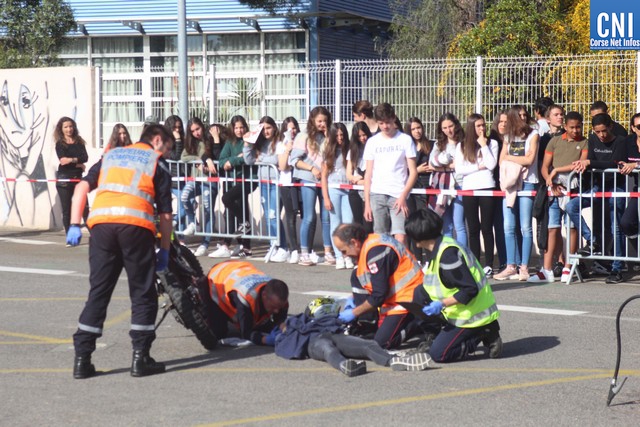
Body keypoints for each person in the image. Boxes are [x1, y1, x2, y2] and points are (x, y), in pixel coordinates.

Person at [65, 124, 174, 379]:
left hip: (101, 227)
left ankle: (82, 360)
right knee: (142, 292)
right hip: (135, 228)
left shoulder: (111, 156)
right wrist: (165, 250)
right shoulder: (156, 162)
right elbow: (165, 214)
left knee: (99, 291)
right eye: (168, 148)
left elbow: (81, 187)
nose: (168, 153)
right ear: (157, 140)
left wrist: (74, 224)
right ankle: (140, 358)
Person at [405, 208, 502, 363]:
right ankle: (435, 335)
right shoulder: (439, 246)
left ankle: (483, 332)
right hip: (457, 310)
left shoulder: (448, 255)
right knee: (418, 294)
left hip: (470, 314)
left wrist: (441, 303)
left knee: (439, 354)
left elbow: (469, 290)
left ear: (418, 237)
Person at [274, 297, 432, 377]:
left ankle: (395, 360)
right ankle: (347, 365)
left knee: (365, 345)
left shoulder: (300, 323)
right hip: (317, 339)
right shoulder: (298, 322)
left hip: (327, 337)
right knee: (331, 349)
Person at [332, 223, 424, 349]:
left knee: (381, 344)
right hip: (397, 296)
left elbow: (379, 295)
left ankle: (420, 323)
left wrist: (354, 312)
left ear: (354, 242)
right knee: (356, 275)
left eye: (344, 251)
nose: (344, 255)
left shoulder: (376, 253)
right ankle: (367, 325)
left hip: (408, 298)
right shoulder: (369, 244)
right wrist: (353, 298)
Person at [566, 113, 628, 284]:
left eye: (604, 131)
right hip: (597, 187)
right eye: (597, 132)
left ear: (610, 127)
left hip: (616, 187)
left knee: (616, 226)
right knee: (571, 206)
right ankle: (592, 241)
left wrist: (589, 163)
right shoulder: (592, 140)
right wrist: (583, 164)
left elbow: (615, 163)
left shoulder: (621, 141)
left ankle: (617, 268)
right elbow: (590, 160)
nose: (601, 135)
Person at [532, 111, 589, 283]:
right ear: (565, 126)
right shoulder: (554, 141)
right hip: (555, 190)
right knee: (552, 228)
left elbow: (579, 164)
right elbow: (545, 166)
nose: (575, 130)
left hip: (572, 188)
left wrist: (556, 171)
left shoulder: (585, 142)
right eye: (572, 127)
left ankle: (568, 266)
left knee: (571, 227)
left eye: (578, 127)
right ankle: (547, 269)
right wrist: (550, 181)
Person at [493, 107, 539, 281]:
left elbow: (529, 159)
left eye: (524, 116)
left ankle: (524, 267)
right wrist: (516, 159)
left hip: (528, 182)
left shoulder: (533, 135)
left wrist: (510, 158)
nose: (522, 118)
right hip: (510, 183)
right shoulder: (508, 137)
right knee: (508, 226)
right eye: (518, 116)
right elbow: (501, 160)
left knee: (525, 226)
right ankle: (510, 266)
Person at [363, 103, 418, 245]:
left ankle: (401, 266)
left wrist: (403, 196)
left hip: (398, 194)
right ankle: (384, 266)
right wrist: (367, 203)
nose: (385, 126)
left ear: (394, 119)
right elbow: (368, 175)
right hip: (377, 194)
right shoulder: (372, 142)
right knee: (380, 238)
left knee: (400, 237)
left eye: (387, 122)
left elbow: (413, 172)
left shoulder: (405, 140)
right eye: (381, 123)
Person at [199, 260, 289, 344]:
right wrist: (266, 340)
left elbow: (279, 320)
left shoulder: (279, 298)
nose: (277, 311)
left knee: (263, 326)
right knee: (218, 334)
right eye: (273, 307)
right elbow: (246, 333)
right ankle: (199, 293)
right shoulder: (245, 296)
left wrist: (282, 326)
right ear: (264, 295)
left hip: (241, 268)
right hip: (218, 276)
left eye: (279, 307)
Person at [290, 106, 336, 266]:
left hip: (326, 180)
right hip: (308, 179)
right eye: (319, 121)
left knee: (326, 216)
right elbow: (294, 160)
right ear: (312, 121)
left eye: (325, 121)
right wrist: (311, 168)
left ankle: (328, 251)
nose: (322, 124)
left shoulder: (329, 136)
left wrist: (328, 137)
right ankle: (304, 253)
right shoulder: (303, 137)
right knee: (309, 217)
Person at [455, 113, 499, 277]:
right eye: (478, 126)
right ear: (472, 127)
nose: (482, 128)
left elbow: (491, 164)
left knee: (487, 228)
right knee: (473, 228)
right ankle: (474, 263)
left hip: (487, 187)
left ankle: (488, 264)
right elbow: (460, 169)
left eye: (483, 125)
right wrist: (478, 167)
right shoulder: (462, 146)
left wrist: (484, 146)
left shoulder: (492, 143)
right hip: (469, 189)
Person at [243, 116, 289, 262]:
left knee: (273, 215)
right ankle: (273, 244)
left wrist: (261, 160)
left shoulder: (279, 143)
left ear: (274, 128)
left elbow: (276, 160)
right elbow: (249, 160)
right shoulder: (259, 144)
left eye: (268, 128)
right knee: (268, 217)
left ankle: (283, 247)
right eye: (263, 129)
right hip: (263, 182)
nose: (266, 131)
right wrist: (247, 144)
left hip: (275, 183)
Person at [212, 115, 256, 259]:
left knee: (229, 200)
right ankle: (243, 246)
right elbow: (221, 160)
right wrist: (234, 159)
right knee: (236, 208)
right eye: (236, 127)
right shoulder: (230, 142)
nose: (239, 130)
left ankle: (244, 232)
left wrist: (234, 161)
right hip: (232, 181)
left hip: (248, 180)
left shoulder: (249, 140)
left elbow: (248, 158)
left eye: (241, 127)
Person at [180, 118, 221, 257]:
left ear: (202, 127)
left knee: (208, 208)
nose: (196, 133)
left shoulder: (209, 139)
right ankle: (193, 222)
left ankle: (205, 243)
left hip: (210, 180)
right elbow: (183, 157)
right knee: (184, 196)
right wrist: (197, 160)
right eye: (192, 131)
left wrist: (207, 161)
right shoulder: (191, 143)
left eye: (197, 129)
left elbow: (215, 154)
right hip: (196, 179)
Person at [429, 113, 467, 247]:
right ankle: (449, 258)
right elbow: (431, 164)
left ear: (456, 125)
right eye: (444, 128)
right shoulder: (438, 144)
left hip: (461, 186)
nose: (448, 130)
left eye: (450, 126)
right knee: (447, 226)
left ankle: (463, 258)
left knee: (459, 225)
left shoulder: (464, 142)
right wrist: (449, 166)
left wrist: (444, 166)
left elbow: (462, 165)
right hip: (444, 188)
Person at [322, 122, 354, 269]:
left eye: (342, 135)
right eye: (337, 135)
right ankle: (339, 255)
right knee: (335, 223)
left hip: (347, 189)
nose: (340, 138)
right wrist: (326, 197)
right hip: (333, 189)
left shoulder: (349, 149)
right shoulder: (328, 152)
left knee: (348, 222)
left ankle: (348, 255)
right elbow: (323, 176)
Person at [54, 117, 90, 237]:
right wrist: (78, 163)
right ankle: (70, 236)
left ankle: (94, 235)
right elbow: (63, 161)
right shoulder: (60, 144)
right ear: (61, 129)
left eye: (71, 126)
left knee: (84, 207)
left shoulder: (79, 141)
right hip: (64, 178)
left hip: (78, 177)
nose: (69, 129)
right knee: (67, 209)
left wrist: (72, 160)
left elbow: (85, 158)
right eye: (66, 127)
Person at [404, 117, 434, 264]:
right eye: (413, 129)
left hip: (426, 188)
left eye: (419, 127)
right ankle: (416, 258)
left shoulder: (431, 145)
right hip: (410, 188)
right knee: (413, 223)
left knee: (425, 223)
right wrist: (417, 169)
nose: (417, 131)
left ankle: (429, 259)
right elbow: (403, 170)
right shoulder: (406, 147)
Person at [276, 117, 302, 264]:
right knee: (290, 217)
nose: (291, 131)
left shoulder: (302, 142)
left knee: (305, 215)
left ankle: (306, 250)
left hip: (300, 182)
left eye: (294, 128)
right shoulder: (282, 145)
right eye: (288, 129)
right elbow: (283, 166)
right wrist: (288, 149)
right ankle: (293, 250)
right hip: (286, 184)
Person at [346, 121, 373, 233]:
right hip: (355, 192)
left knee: (368, 224)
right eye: (359, 136)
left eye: (364, 135)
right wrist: (356, 180)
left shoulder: (373, 148)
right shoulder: (352, 151)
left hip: (370, 192)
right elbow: (349, 174)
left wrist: (362, 181)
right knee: (358, 224)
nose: (362, 138)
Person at [163, 115, 186, 233]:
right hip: (170, 179)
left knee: (186, 205)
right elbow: (175, 156)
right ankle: (175, 226)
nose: (177, 130)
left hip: (181, 178)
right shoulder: (165, 142)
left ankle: (176, 226)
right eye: (174, 127)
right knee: (181, 207)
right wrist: (177, 141)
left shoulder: (183, 139)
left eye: (179, 127)